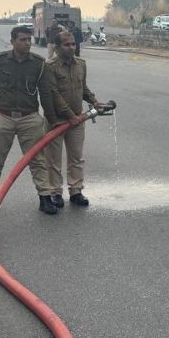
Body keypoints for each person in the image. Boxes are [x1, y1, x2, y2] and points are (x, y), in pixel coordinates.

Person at [0, 25, 60, 216]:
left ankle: (45, 198)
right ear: (12, 41)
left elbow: (45, 93)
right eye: (23, 39)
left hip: (30, 119)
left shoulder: (38, 63)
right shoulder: (1, 60)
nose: (27, 43)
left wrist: (51, 120)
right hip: (4, 117)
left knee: (37, 160)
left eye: (29, 39)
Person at [43, 30, 106, 208]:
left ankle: (76, 190)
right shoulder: (49, 66)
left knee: (76, 157)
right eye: (67, 45)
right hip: (56, 121)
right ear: (57, 47)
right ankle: (55, 192)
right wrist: (70, 116)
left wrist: (94, 101)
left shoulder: (81, 64)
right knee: (54, 159)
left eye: (73, 44)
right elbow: (54, 95)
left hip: (77, 120)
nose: (71, 47)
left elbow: (83, 88)